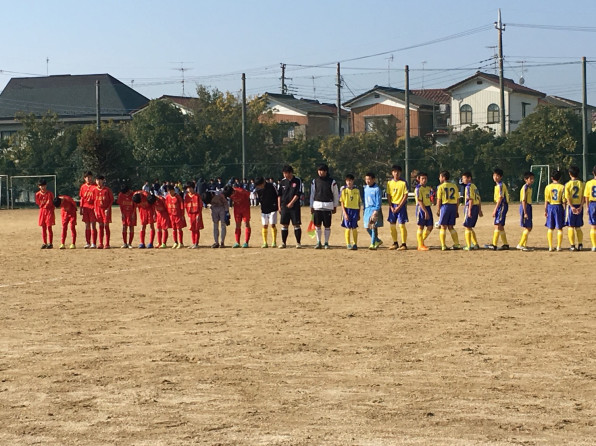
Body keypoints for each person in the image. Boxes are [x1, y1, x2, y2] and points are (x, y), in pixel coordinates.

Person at [310, 164, 339, 249]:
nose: (320, 172)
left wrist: (335, 206)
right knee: (317, 225)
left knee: (327, 225)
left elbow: (335, 194)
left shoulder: (332, 182)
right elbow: (312, 194)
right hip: (317, 205)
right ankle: (318, 242)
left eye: (322, 170)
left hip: (328, 206)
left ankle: (326, 242)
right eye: (319, 170)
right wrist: (311, 206)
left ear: (326, 171)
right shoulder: (314, 181)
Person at [278, 165, 303, 248]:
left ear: (290, 173)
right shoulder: (282, 182)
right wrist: (279, 206)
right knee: (284, 224)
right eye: (283, 173)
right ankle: (283, 243)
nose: (284, 175)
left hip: (294, 206)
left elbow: (298, 193)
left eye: (286, 173)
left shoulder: (297, 180)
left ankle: (298, 243)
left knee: (296, 224)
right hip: (284, 206)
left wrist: (292, 202)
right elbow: (279, 195)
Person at [436, 170, 461, 251]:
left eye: (440, 177)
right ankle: (457, 244)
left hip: (445, 207)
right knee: (451, 226)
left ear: (443, 177)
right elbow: (457, 199)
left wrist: (438, 210)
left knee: (443, 227)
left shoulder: (440, 187)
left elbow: (439, 200)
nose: (439, 178)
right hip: (453, 206)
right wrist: (457, 210)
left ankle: (443, 245)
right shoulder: (454, 186)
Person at [486, 168, 510, 251]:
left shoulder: (500, 185)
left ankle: (494, 244)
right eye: (494, 175)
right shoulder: (497, 185)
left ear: (501, 177)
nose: (495, 177)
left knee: (497, 224)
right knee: (500, 226)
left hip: (502, 206)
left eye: (497, 176)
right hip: (501, 206)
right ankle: (505, 244)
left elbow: (500, 198)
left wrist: (495, 209)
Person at [386, 165, 409, 250]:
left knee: (401, 225)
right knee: (392, 225)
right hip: (392, 206)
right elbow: (388, 195)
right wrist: (390, 206)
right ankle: (395, 243)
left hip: (401, 206)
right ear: (392, 173)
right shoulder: (389, 183)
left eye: (398, 171)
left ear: (400, 173)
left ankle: (404, 244)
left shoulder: (403, 182)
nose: (396, 173)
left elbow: (405, 195)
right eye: (395, 171)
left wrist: (399, 207)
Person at [544, 170, 566, 252]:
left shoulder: (548, 187)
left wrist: (545, 210)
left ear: (551, 178)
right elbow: (564, 200)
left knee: (550, 227)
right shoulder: (562, 187)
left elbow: (546, 200)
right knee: (559, 228)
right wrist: (565, 209)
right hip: (558, 206)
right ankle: (559, 246)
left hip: (550, 207)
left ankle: (550, 246)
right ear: (559, 178)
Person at [461, 172, 483, 251]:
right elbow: (479, 198)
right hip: (476, 207)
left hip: (470, 207)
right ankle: (475, 243)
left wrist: (469, 210)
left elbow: (470, 199)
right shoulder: (474, 186)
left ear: (469, 178)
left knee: (467, 227)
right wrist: (479, 209)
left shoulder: (468, 187)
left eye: (464, 178)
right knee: (470, 227)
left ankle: (468, 245)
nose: (463, 180)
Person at [255, 177, 278, 248]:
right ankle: (265, 242)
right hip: (264, 209)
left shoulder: (271, 186)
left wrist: (277, 204)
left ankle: (274, 242)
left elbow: (277, 195)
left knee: (272, 224)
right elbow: (259, 198)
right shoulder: (258, 189)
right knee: (264, 225)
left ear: (263, 182)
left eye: (260, 185)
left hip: (273, 208)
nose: (259, 186)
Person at [565, 165, 584, 251]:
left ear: (570, 174)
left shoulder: (568, 184)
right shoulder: (582, 184)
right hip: (579, 206)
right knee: (578, 227)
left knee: (570, 226)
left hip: (571, 207)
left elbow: (567, 197)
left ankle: (572, 245)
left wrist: (572, 207)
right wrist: (580, 206)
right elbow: (584, 196)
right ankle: (580, 244)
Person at [340, 173, 361, 250]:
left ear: (353, 181)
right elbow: (342, 202)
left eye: (350, 181)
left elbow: (359, 202)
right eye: (347, 181)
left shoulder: (357, 190)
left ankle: (355, 243)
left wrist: (358, 213)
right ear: (346, 181)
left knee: (354, 227)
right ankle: (348, 244)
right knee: (348, 227)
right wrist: (344, 213)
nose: (349, 182)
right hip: (347, 210)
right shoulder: (344, 190)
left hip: (355, 210)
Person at [363, 172, 383, 250]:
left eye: (369, 179)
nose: (367, 181)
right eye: (366, 179)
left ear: (373, 179)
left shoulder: (377, 189)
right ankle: (377, 240)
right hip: (367, 209)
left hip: (374, 209)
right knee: (367, 227)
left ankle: (372, 243)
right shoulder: (365, 188)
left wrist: (376, 210)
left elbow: (378, 201)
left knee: (373, 226)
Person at [227, 184, 251, 248]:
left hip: (245, 209)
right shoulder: (229, 193)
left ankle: (246, 242)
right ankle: (237, 242)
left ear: (233, 192)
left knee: (246, 224)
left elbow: (249, 195)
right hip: (237, 209)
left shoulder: (241, 191)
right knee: (237, 224)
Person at [93, 175, 113, 249]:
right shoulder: (94, 190)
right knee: (100, 226)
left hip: (105, 210)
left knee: (106, 226)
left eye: (100, 180)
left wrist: (108, 208)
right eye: (97, 180)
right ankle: (100, 243)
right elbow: (94, 201)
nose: (98, 182)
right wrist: (95, 210)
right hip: (98, 210)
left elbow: (111, 200)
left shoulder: (107, 190)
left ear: (103, 181)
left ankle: (107, 243)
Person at [414, 172, 433, 251]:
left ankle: (420, 242)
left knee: (430, 226)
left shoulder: (428, 188)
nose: (424, 180)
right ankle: (420, 245)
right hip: (421, 209)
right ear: (419, 179)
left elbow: (431, 199)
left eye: (425, 178)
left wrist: (433, 197)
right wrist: (425, 211)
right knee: (421, 226)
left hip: (428, 207)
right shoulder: (418, 189)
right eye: (422, 179)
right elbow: (420, 201)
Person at [516, 172, 535, 252]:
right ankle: (520, 244)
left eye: (532, 179)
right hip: (525, 207)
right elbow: (523, 200)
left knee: (528, 227)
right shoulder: (525, 188)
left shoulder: (530, 188)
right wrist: (525, 212)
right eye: (530, 179)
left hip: (529, 206)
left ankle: (523, 245)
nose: (532, 180)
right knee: (528, 227)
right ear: (525, 179)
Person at [35, 179, 55, 249]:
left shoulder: (50, 194)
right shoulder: (37, 194)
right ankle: (44, 242)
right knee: (43, 228)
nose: (42, 187)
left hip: (49, 211)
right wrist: (43, 205)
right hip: (42, 211)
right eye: (41, 186)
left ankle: (50, 243)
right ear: (39, 186)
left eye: (44, 186)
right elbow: (38, 203)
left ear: (46, 186)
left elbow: (51, 203)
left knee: (49, 227)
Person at [79, 171, 97, 248]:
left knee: (93, 225)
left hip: (93, 208)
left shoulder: (95, 186)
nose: (89, 179)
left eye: (90, 177)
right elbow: (82, 198)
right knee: (87, 225)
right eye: (87, 177)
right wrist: (81, 208)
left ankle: (94, 243)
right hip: (85, 208)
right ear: (84, 178)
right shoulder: (83, 187)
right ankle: (87, 242)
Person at [184, 181, 204, 249]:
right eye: (188, 188)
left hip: (196, 214)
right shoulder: (186, 196)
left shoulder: (197, 196)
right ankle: (193, 243)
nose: (189, 190)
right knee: (192, 229)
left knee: (196, 229)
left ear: (193, 188)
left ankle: (196, 243)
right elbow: (186, 206)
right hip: (190, 214)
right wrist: (188, 215)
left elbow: (200, 206)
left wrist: (199, 214)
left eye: (190, 188)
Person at [584, 164, 596, 252]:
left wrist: (587, 207)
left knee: (593, 226)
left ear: (593, 173)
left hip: (592, 204)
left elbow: (586, 196)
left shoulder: (589, 183)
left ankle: (594, 245)